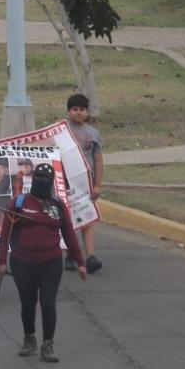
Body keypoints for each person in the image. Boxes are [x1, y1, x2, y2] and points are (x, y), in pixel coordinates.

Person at [0, 162, 87, 361]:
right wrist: (2, 261)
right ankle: (29, 338)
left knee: (48, 303)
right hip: (22, 261)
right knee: (27, 304)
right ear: (33, 179)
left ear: (52, 182)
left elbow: (69, 234)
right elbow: (5, 233)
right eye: (38, 178)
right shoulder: (19, 202)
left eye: (46, 179)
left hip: (51, 262)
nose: (41, 182)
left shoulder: (58, 206)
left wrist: (80, 262)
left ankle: (48, 344)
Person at [63, 93, 105, 273]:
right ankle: (71, 254)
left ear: (87, 112)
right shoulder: (61, 131)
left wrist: (97, 185)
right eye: (75, 109)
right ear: (68, 111)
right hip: (65, 183)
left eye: (82, 110)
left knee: (86, 219)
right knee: (68, 220)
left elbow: (98, 160)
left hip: (85, 184)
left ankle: (90, 257)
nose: (78, 113)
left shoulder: (93, 134)